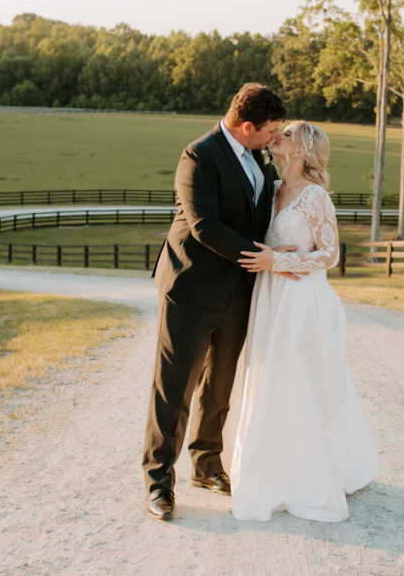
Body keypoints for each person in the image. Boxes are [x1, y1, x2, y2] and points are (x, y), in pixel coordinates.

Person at [142, 82, 292, 521]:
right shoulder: (199, 156)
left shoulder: (259, 159)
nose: (273, 139)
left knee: (219, 386)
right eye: (270, 131)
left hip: (238, 293)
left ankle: (207, 465)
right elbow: (204, 226)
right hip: (190, 289)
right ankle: (158, 482)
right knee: (173, 390)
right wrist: (263, 257)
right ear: (247, 126)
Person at [229, 121, 380, 522]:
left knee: (300, 385)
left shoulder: (315, 198)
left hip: (300, 303)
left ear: (301, 149)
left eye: (288, 133)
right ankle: (268, 465)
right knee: (269, 381)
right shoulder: (274, 190)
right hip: (270, 297)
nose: (278, 135)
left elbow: (329, 255)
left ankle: (304, 476)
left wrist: (280, 260)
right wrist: (271, 258)